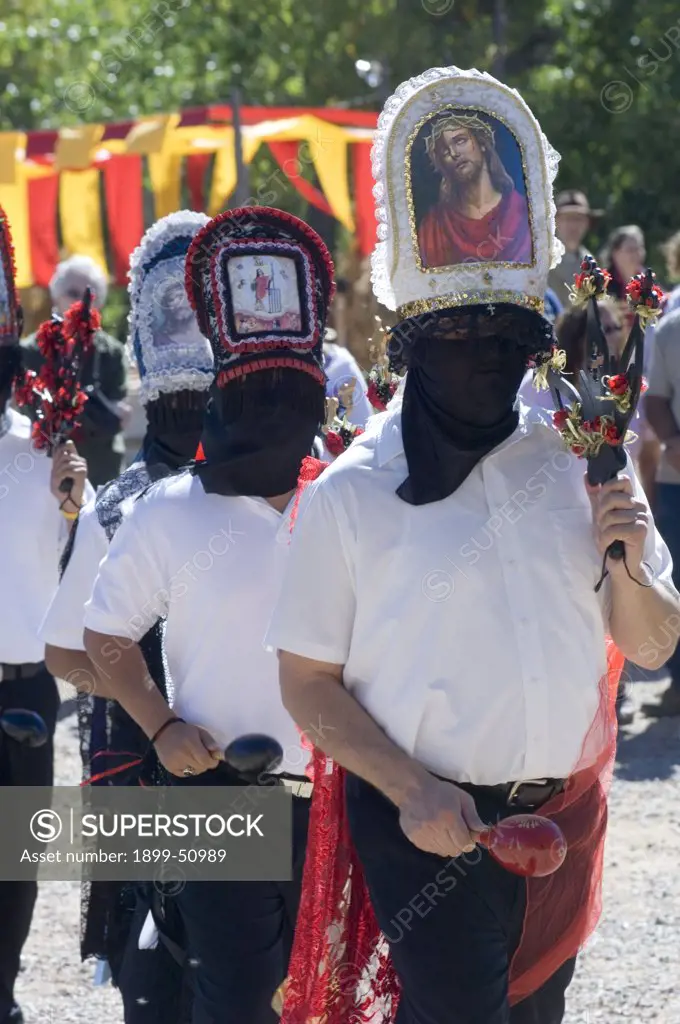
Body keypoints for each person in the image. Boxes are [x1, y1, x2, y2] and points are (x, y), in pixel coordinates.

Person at [266, 67, 679, 1024]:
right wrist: (411, 789)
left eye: (506, 333)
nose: (485, 352)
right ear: (412, 338)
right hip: (427, 836)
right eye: (457, 331)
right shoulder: (353, 492)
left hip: (565, 825)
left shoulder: (584, 459)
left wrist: (621, 552)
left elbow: (654, 644)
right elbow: (306, 682)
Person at [82, 206, 337, 1024]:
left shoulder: (347, 502)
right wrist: (159, 728)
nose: (270, 409)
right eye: (252, 391)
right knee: (234, 1004)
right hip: (209, 798)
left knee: (320, 996)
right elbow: (102, 636)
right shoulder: (164, 510)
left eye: (286, 392)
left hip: (337, 795)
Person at [38, 211, 213, 1022]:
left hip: (217, 776)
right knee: (182, 987)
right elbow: (65, 654)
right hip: (176, 783)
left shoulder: (290, 490)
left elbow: (67, 656)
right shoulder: (120, 505)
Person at [0, 207, 91, 1024]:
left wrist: (75, 498)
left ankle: (5, 990)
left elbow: (87, 553)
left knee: (17, 863)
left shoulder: (44, 448)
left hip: (29, 690)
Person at [21, 255, 129, 487]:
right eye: (72, 293)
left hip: (100, 471)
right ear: (56, 295)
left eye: (89, 295)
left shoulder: (111, 353)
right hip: (43, 475)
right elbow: (22, 415)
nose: (80, 302)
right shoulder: (30, 352)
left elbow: (118, 413)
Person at [417, 112, 531, 267]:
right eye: (444, 152)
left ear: (481, 143)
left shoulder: (520, 211)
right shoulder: (434, 227)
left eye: (460, 141)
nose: (454, 153)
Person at [642, 305, 680, 717]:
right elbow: (655, 400)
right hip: (677, 481)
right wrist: (671, 438)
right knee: (677, 581)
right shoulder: (670, 331)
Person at [547, 190, 602, 308]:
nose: (573, 225)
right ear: (555, 221)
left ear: (587, 223)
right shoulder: (542, 257)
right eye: (567, 219)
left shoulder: (590, 262)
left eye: (578, 219)